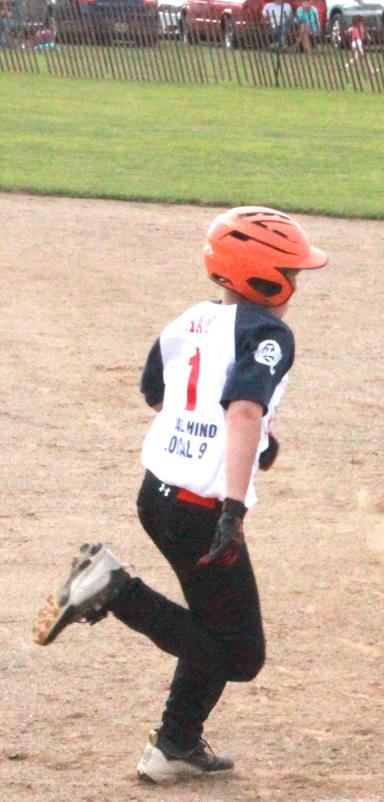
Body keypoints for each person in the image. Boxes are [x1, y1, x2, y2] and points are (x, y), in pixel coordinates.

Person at [33, 207, 329, 782]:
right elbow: (243, 407)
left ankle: (175, 743)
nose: (297, 284)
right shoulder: (269, 333)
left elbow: (158, 393)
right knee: (239, 652)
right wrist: (234, 506)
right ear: (265, 278)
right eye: (291, 272)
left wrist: (252, 440)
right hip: (200, 511)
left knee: (211, 625)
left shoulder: (187, 321)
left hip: (157, 497)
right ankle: (112, 590)